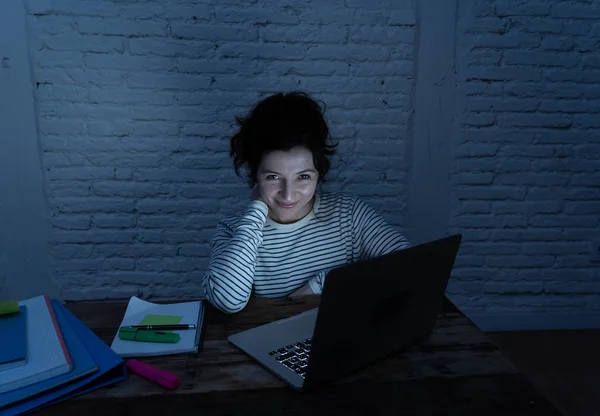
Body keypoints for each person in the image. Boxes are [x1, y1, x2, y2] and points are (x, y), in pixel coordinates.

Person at [202, 91, 411, 314]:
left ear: (318, 173)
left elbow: (410, 266)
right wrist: (256, 210)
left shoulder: (349, 214)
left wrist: (319, 284)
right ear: (255, 176)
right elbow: (227, 301)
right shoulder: (234, 232)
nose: (289, 195)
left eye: (303, 177)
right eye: (272, 177)